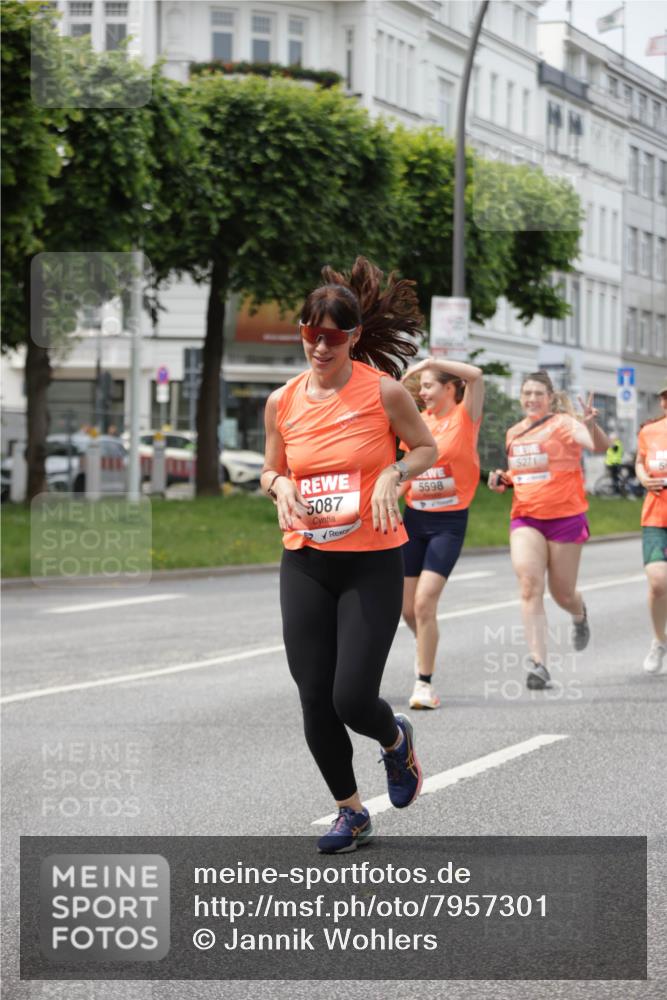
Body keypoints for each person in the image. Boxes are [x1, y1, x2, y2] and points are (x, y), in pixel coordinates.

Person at [261, 257, 437, 854]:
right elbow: (272, 465)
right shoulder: (282, 401)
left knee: (351, 697)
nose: (319, 345)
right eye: (310, 333)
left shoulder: (383, 392)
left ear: (354, 337)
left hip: (372, 560)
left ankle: (395, 742)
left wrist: (392, 472)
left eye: (333, 336)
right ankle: (351, 812)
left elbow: (426, 448)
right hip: (307, 559)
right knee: (313, 696)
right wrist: (277, 485)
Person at [488, 371, 609, 690]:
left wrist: (590, 423)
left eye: (538, 393)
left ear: (551, 398)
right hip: (526, 516)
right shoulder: (514, 432)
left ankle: (579, 613)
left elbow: (598, 445)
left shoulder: (566, 424)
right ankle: (539, 663)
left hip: (565, 516)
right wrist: (502, 478)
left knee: (562, 592)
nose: (531, 399)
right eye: (526, 393)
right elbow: (521, 473)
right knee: (529, 584)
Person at [398, 357, 485, 709]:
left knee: (424, 602)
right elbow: (406, 476)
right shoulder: (419, 425)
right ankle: (426, 648)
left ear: (450, 388)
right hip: (414, 520)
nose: (423, 392)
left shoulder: (465, 417)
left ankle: (424, 684)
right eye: (421, 387)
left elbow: (477, 376)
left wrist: (429, 361)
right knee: (406, 608)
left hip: (448, 523)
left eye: (430, 385)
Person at [635, 383, 667, 673]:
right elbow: (640, 462)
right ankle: (659, 641)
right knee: (658, 583)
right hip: (656, 515)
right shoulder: (650, 431)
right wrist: (644, 477)